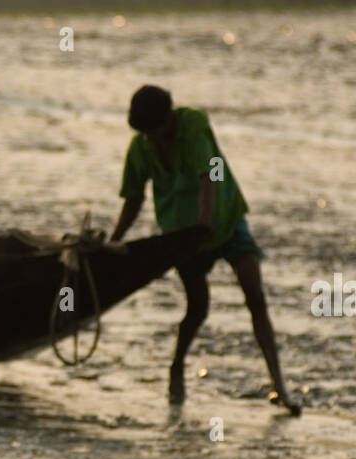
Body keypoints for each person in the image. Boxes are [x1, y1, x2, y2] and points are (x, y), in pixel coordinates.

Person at [110, 85, 300, 414]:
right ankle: (177, 365)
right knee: (198, 308)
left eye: (154, 131)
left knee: (255, 296)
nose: (150, 139)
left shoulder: (194, 125)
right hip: (182, 233)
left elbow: (210, 172)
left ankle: (278, 384)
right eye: (144, 134)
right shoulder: (141, 147)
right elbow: (134, 198)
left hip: (224, 220)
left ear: (168, 118)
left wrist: (206, 220)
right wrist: (114, 240)